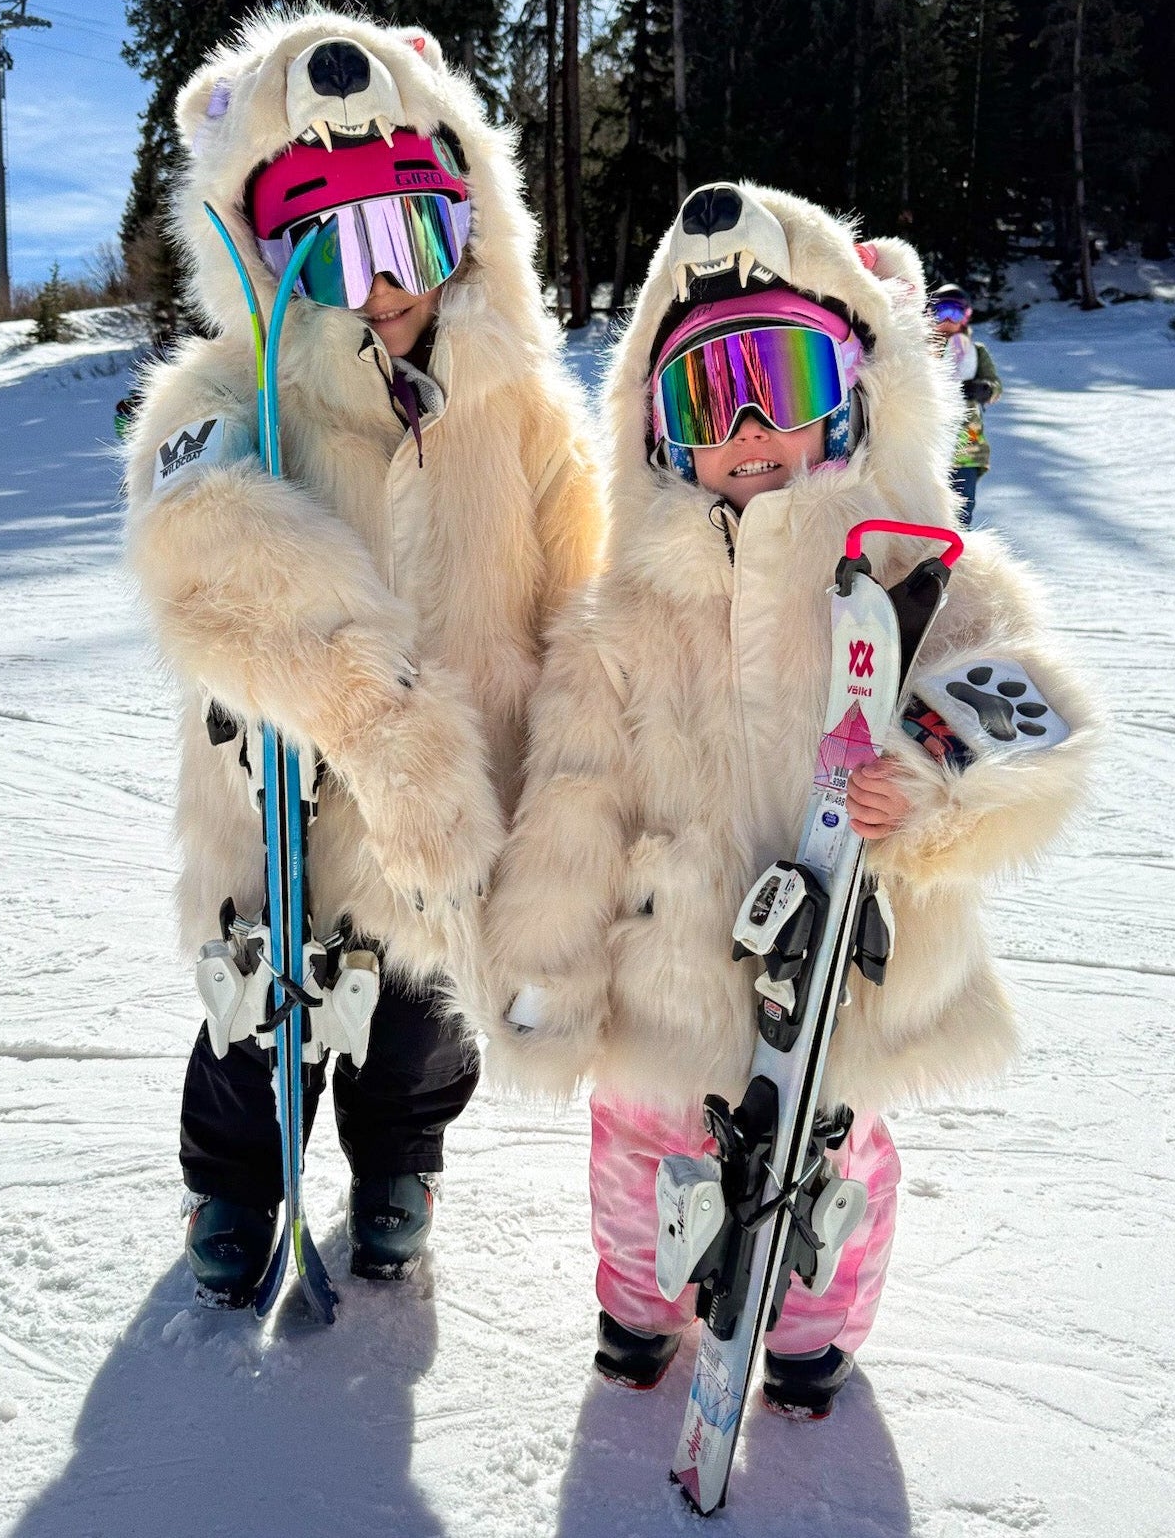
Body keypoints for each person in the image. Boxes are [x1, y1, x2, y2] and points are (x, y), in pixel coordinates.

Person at [468, 182, 1097, 1412]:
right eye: (709, 393)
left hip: (851, 976)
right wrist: (545, 957)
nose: (749, 421)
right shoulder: (618, 621)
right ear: (659, 433)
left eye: (785, 378)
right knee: (643, 1150)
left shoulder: (923, 578)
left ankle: (810, 1327)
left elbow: (1025, 720)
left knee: (830, 1157)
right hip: (671, 973)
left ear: (856, 396)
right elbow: (574, 797)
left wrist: (924, 786)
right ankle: (642, 1304)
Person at [122, 10, 600, 1304]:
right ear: (265, 258)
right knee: (250, 1019)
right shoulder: (224, 398)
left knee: (416, 1026)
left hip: (444, 826)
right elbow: (199, 546)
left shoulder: (517, 411)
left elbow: (584, 581)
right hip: (277, 791)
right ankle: (231, 1179)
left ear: (469, 230)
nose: (385, 286)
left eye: (416, 237)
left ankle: (400, 1163)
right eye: (334, 251)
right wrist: (376, 712)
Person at [933, 283, 1002, 525]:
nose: (948, 320)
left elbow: (995, 387)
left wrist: (983, 389)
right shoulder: (923, 348)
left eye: (955, 312)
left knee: (961, 513)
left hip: (967, 448)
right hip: (929, 445)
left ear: (966, 317)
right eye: (942, 312)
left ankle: (955, 558)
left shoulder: (976, 352)